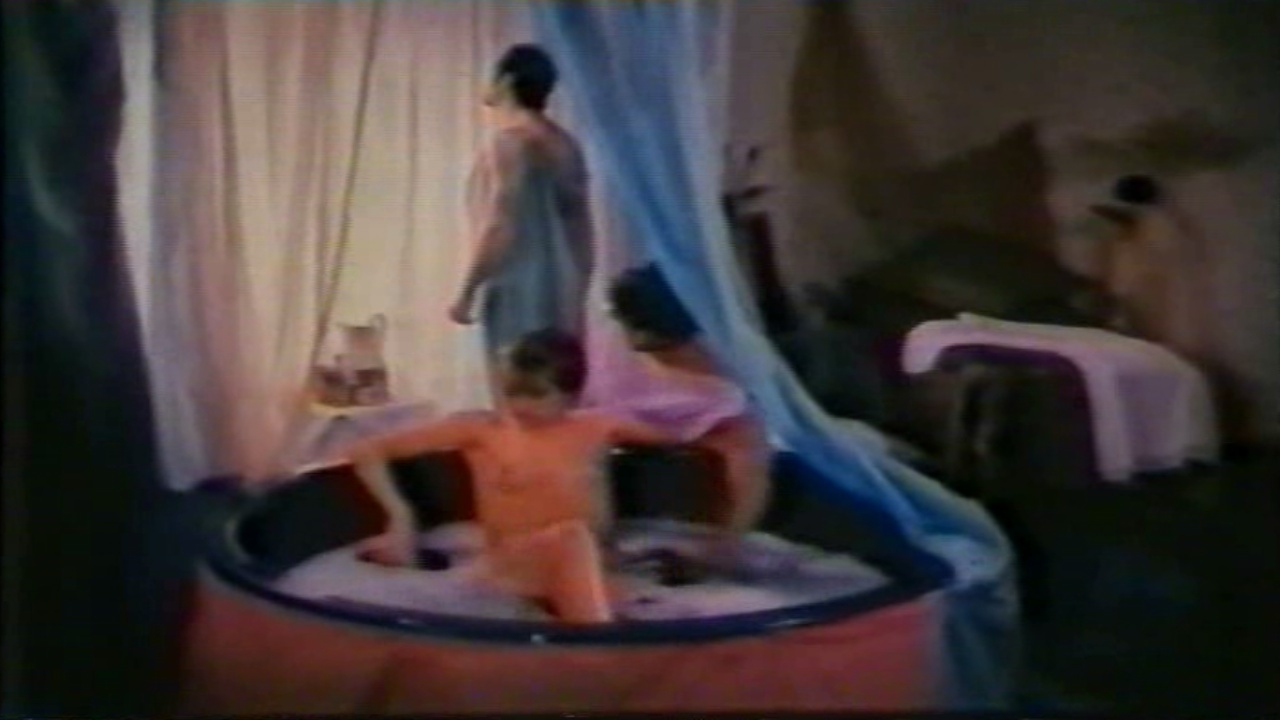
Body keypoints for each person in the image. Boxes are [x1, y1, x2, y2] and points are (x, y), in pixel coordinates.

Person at [344, 329, 672, 624]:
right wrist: (401, 516)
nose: (521, 405)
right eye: (512, 392)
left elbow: (683, 433)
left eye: (536, 394)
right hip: (510, 572)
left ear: (571, 394)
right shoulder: (483, 431)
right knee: (571, 538)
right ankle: (599, 649)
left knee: (606, 574)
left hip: (593, 573)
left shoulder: (598, 428)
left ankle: (599, 635)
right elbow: (366, 450)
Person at [604, 265, 773, 557]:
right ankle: (728, 543)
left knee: (748, 442)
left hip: (689, 422)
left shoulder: (717, 362)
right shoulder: (617, 354)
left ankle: (728, 544)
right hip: (628, 421)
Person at [449, 45, 593, 358]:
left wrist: (467, 291)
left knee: (517, 378)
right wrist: (579, 290)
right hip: (560, 289)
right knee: (553, 377)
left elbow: (501, 224)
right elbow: (582, 229)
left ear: (506, 81)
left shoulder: (510, 143)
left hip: (515, 286)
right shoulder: (566, 145)